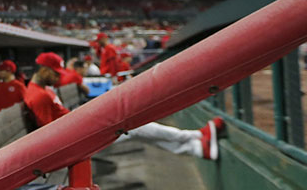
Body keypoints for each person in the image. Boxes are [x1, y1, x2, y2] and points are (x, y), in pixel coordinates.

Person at [25, 66, 224, 160]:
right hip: (72, 141)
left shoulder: (42, 91)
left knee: (132, 125)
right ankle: (195, 139)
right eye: (54, 73)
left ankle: (196, 145)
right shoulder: (38, 95)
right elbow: (50, 132)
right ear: (43, 70)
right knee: (133, 128)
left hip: (76, 129)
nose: (58, 76)